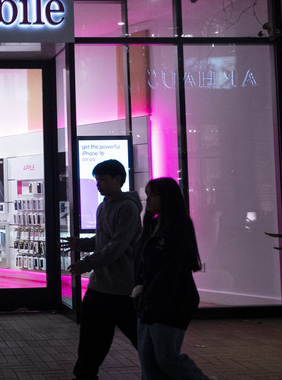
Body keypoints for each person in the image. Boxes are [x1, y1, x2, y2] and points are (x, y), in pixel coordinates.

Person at [61, 159, 141, 380]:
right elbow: (103, 240)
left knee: (140, 338)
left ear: (118, 179)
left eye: (103, 179)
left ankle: (161, 369)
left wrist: (86, 264)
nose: (98, 184)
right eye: (97, 179)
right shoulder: (103, 206)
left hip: (122, 288)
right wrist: (81, 243)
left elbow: (117, 246)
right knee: (91, 338)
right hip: (100, 286)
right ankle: (85, 374)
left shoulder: (128, 208)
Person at [132, 177, 208, 380]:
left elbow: (171, 271)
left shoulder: (178, 227)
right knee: (148, 359)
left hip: (172, 301)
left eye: (153, 195)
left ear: (167, 198)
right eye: (147, 195)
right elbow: (143, 264)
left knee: (166, 357)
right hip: (148, 301)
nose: (148, 200)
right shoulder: (153, 225)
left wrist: (151, 300)